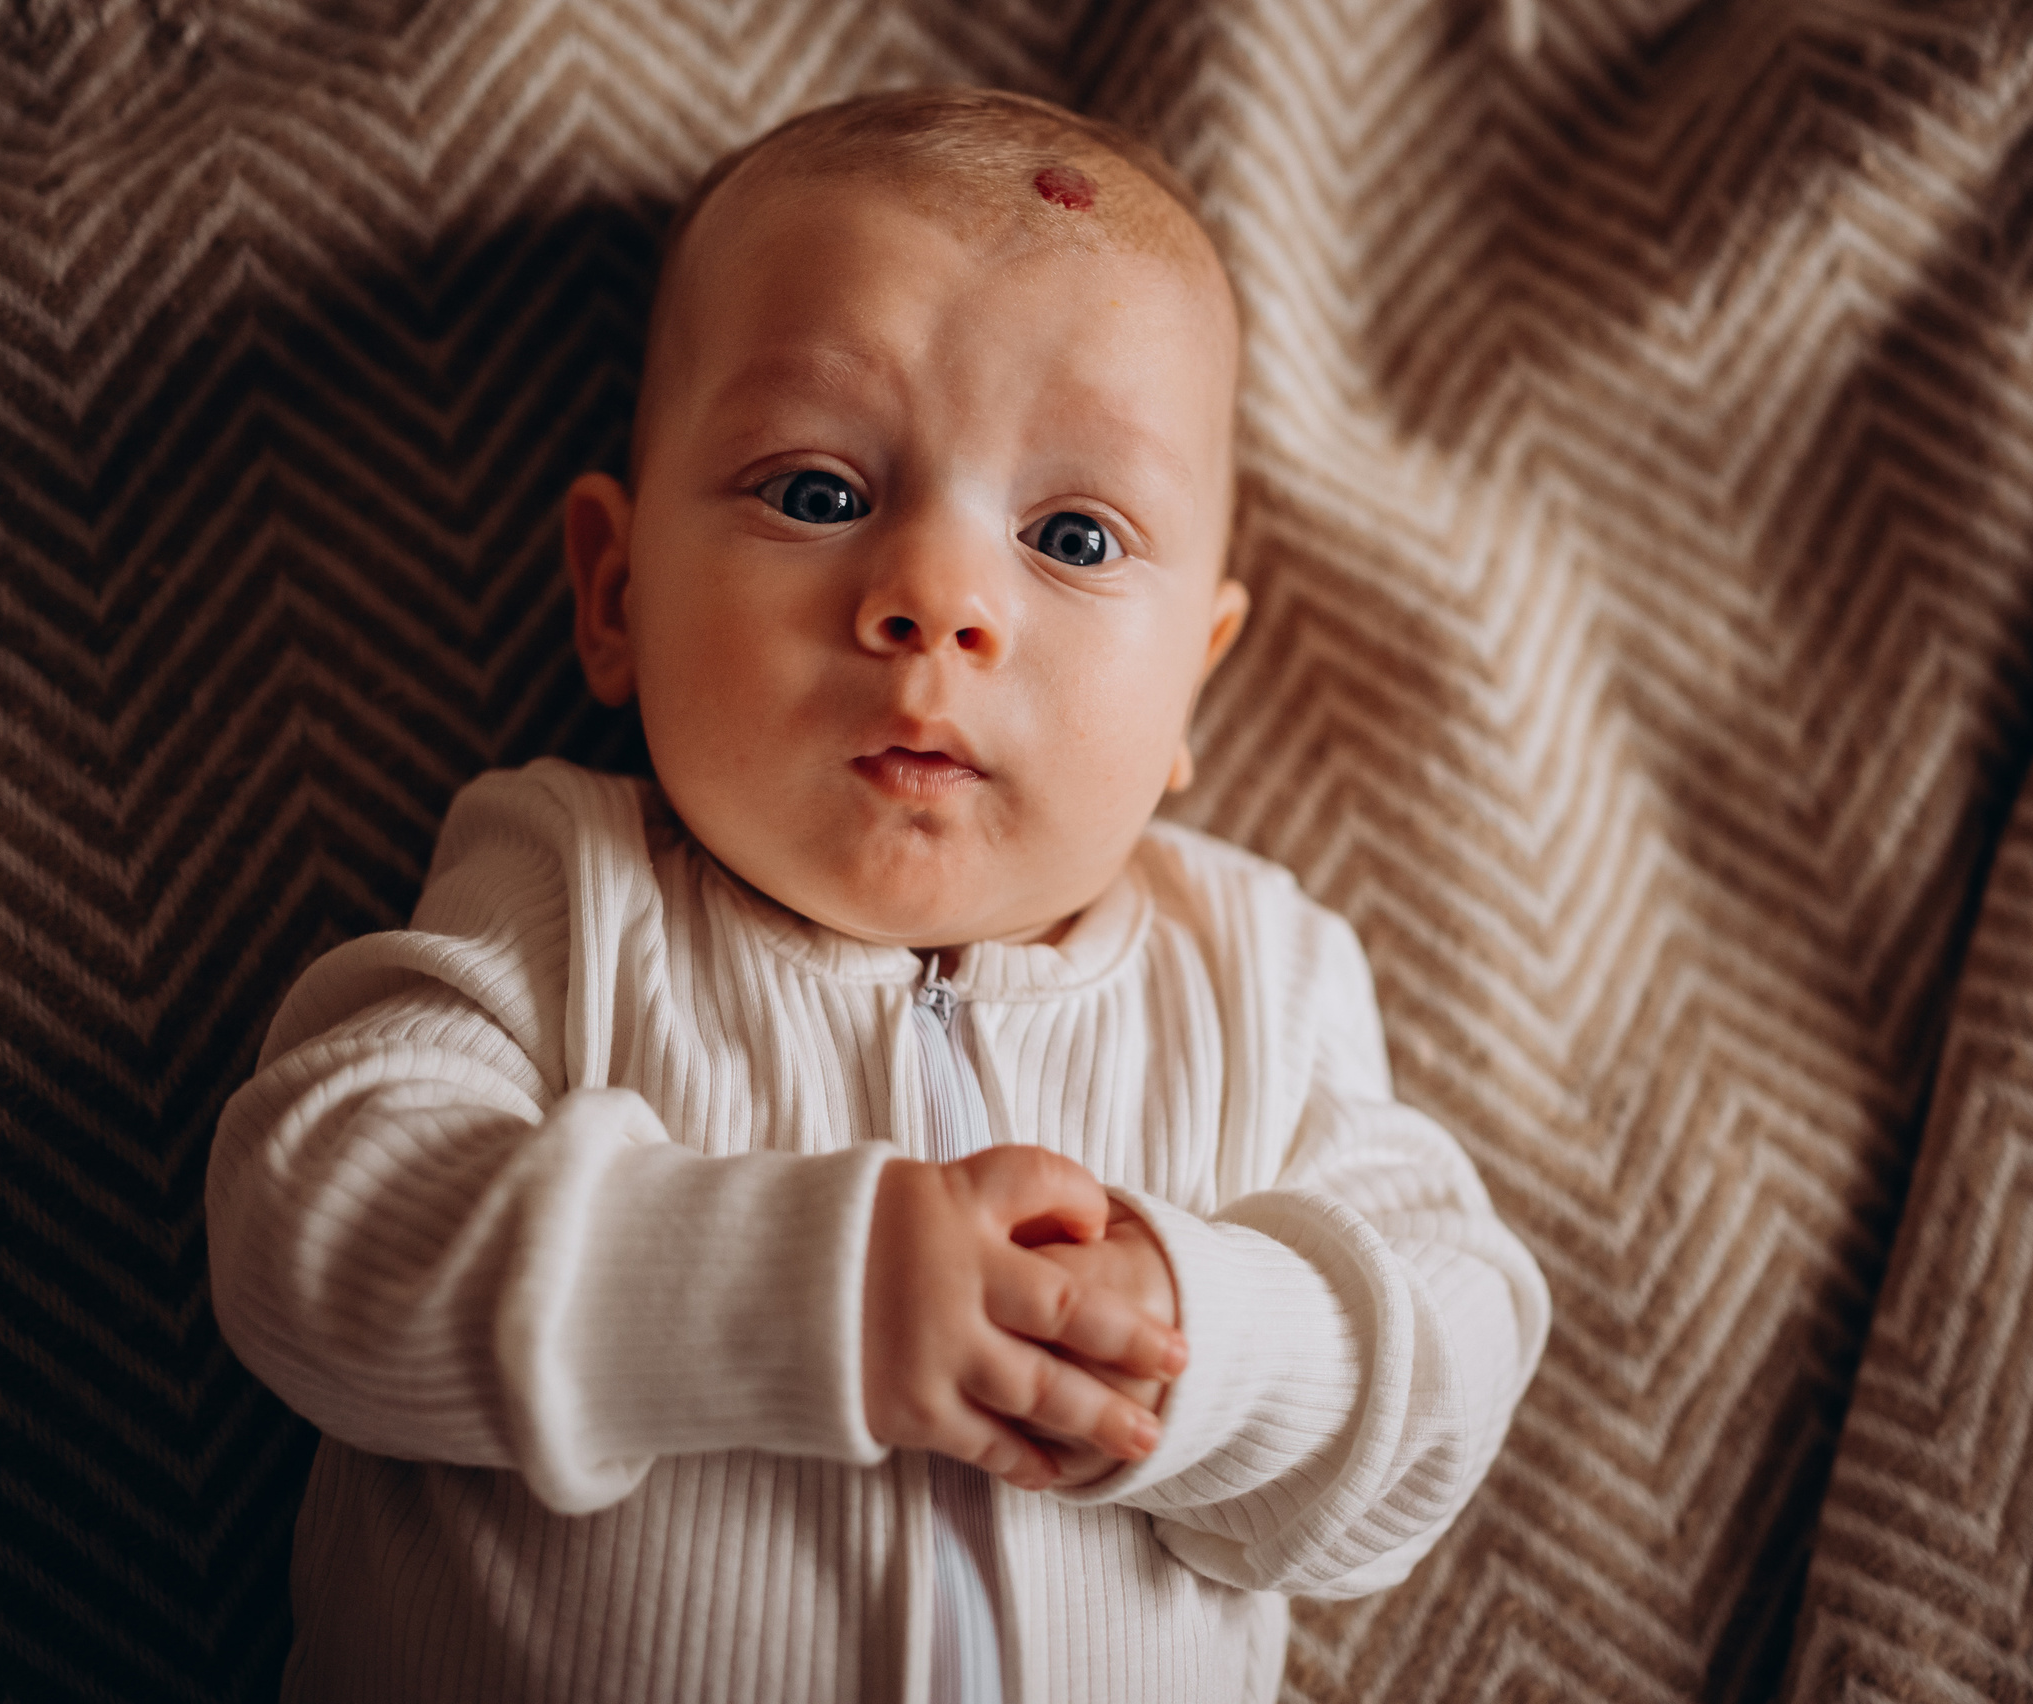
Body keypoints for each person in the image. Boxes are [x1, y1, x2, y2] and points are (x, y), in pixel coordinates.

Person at [206, 86, 1550, 1704]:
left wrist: (1209, 1341)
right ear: (615, 592)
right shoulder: (574, 884)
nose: (937, 600)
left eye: (1071, 533)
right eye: (820, 494)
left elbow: (1456, 1348)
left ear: (1195, 686)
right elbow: (312, 1216)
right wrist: (804, 1290)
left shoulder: (1256, 973)